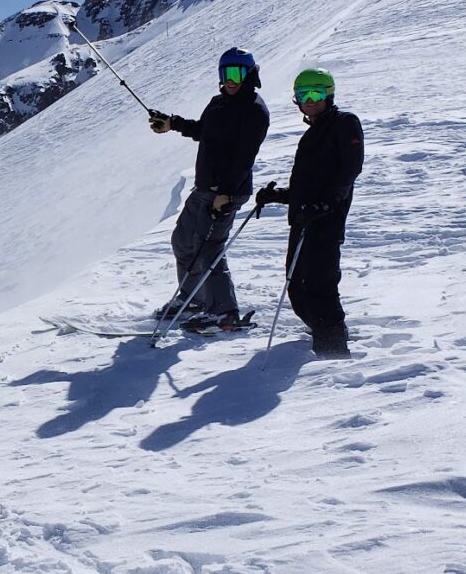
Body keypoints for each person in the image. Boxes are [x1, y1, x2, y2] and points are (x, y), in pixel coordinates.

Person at [149, 47, 270, 331]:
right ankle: (194, 299)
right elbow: (204, 131)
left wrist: (225, 193)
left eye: (237, 73)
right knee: (183, 240)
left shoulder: (254, 110)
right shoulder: (218, 103)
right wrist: (172, 124)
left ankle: (224, 313)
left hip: (226, 192)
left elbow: (244, 157)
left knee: (209, 248)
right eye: (226, 73)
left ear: (249, 74)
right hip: (204, 187)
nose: (231, 79)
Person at [256, 68, 364, 355]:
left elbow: (350, 170)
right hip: (304, 221)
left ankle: (333, 353)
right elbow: (307, 187)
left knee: (320, 286)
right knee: (297, 287)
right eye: (304, 95)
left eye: (317, 93)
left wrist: (327, 204)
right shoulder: (311, 135)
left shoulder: (345, 123)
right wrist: (277, 196)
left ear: (329, 94)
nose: (310, 100)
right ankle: (323, 333)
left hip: (325, 222)